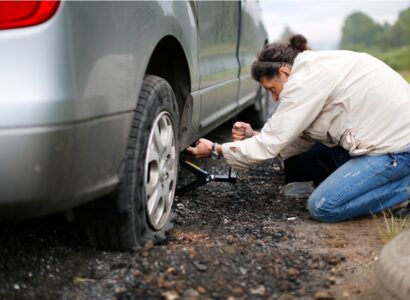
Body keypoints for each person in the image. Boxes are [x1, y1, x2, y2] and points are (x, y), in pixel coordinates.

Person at [186, 34, 410, 223]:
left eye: (272, 89)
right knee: (327, 166)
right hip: (388, 137)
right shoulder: (314, 67)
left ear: (284, 72)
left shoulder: (304, 81)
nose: (274, 98)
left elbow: (273, 143)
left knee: (324, 206)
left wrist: (216, 149)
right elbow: (301, 133)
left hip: (397, 149)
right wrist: (255, 136)